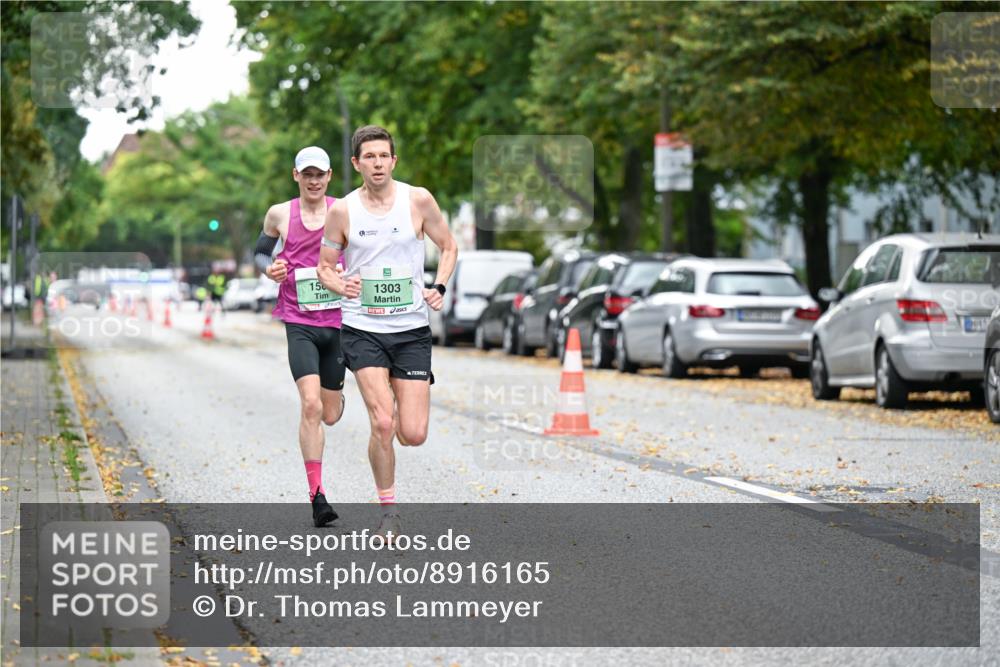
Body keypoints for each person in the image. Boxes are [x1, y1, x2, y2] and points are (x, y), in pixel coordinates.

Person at [318, 125, 457, 542]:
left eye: (384, 156)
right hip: (362, 328)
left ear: (393, 161)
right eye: (369, 157)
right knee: (382, 422)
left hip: (411, 329)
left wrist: (439, 286)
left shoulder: (417, 200)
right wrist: (339, 284)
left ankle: (399, 409)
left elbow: (448, 245)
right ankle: (389, 513)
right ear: (356, 163)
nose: (377, 163)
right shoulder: (342, 211)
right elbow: (326, 266)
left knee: (411, 433)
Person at [254, 146, 347, 527]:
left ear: (328, 177)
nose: (313, 180)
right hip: (299, 320)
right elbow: (260, 253)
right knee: (310, 407)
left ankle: (337, 396)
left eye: (319, 174)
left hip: (339, 322)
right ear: (296, 175)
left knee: (329, 412)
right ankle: (317, 496)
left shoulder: (344, 211)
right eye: (306, 174)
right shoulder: (279, 214)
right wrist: (269, 269)